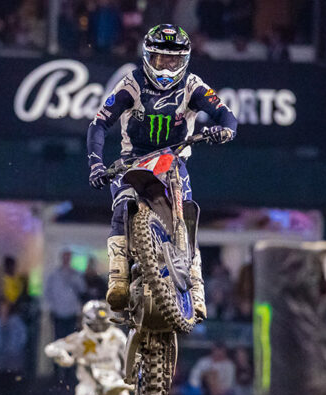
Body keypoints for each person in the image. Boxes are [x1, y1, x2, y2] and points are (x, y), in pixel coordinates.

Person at [87, 24, 237, 315]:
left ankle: (196, 289)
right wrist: (95, 164)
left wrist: (226, 131)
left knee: (188, 216)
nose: (167, 67)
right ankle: (117, 276)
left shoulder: (193, 85)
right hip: (134, 158)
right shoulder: (131, 83)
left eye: (174, 60)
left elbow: (226, 114)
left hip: (174, 159)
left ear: (185, 60)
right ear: (147, 57)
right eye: (161, 59)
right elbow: (99, 124)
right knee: (122, 204)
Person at [45, 300, 133, 395]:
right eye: (96, 324)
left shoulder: (116, 336)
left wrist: (130, 372)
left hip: (114, 381)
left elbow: (129, 354)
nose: (100, 328)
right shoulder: (81, 338)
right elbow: (51, 348)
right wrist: (63, 356)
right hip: (90, 383)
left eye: (102, 323)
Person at [45, 250, 86, 340]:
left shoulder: (76, 274)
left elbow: (82, 290)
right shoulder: (54, 275)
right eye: (65, 257)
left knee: (71, 339)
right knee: (59, 339)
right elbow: (48, 293)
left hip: (72, 313)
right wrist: (53, 307)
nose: (66, 259)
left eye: (68, 257)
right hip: (58, 313)